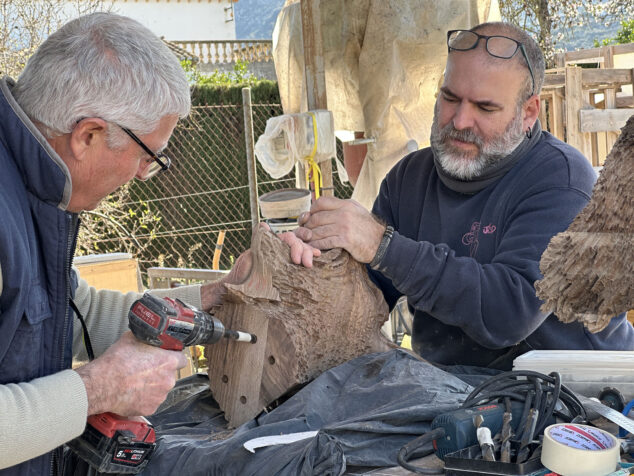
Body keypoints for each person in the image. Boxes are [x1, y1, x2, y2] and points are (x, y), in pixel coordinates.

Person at [0, 12, 315, 474]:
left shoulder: (32, 193)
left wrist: (215, 296)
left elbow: (72, 310)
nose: (141, 176)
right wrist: (99, 389)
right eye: (148, 157)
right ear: (88, 134)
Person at [293, 22, 634, 369]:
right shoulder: (408, 179)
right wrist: (311, 264)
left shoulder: (561, 180)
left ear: (529, 112)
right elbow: (365, 291)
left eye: (484, 108)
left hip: (581, 401)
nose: (459, 120)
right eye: (450, 98)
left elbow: (507, 314)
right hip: (451, 392)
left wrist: (383, 245)